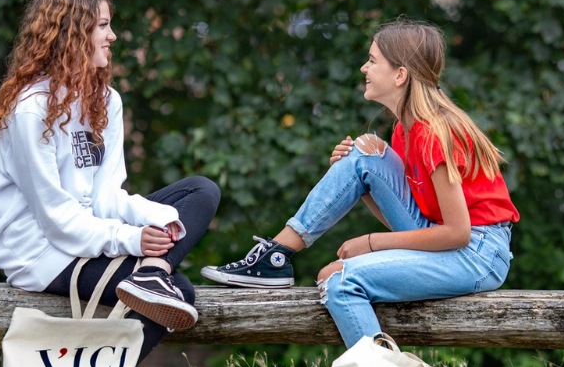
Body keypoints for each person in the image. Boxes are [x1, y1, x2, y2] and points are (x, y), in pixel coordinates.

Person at [201, 19, 519, 347]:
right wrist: (359, 182)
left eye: (373, 60)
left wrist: (369, 243)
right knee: (363, 151)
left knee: (338, 279)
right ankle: (276, 256)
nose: (364, 67)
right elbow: (415, 227)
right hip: (449, 240)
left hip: (477, 254)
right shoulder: (405, 130)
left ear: (400, 75)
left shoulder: (434, 133)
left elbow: (456, 233)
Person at [0, 0, 220, 361]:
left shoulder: (106, 101)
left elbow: (107, 195)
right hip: (40, 254)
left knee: (201, 192)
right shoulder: (30, 111)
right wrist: (131, 239)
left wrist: (159, 222)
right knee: (182, 295)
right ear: (71, 33)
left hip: (87, 233)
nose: (112, 37)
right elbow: (56, 219)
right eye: (103, 26)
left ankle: (152, 273)